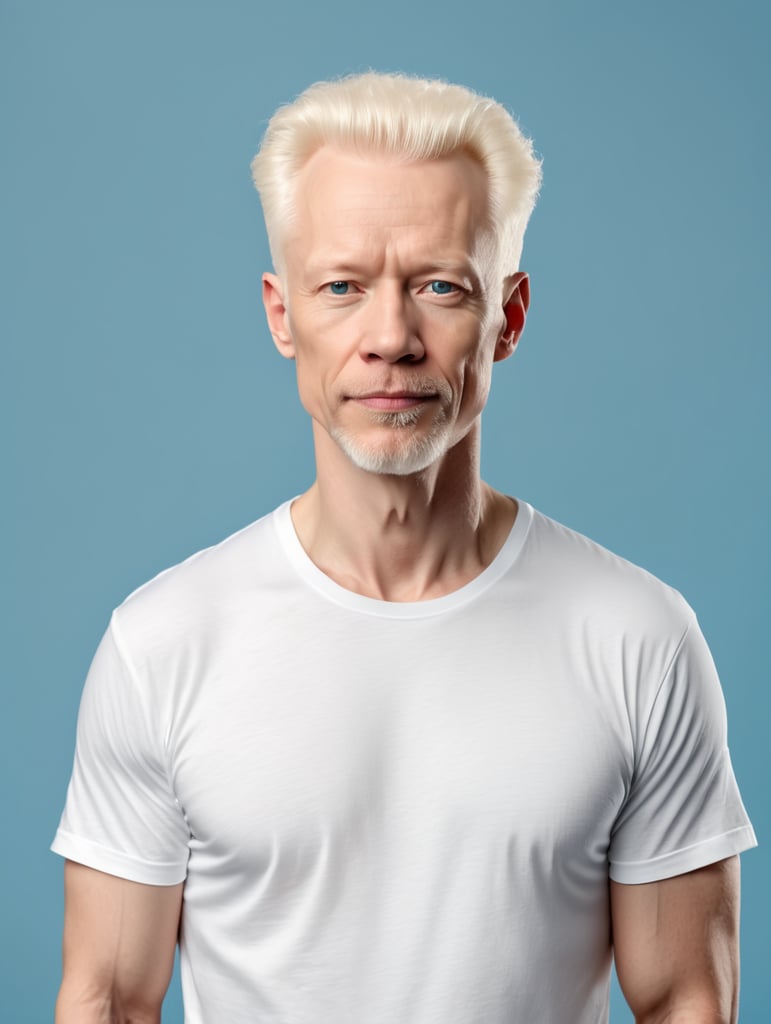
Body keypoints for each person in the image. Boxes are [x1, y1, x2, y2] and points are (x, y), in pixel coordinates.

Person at [52, 72, 756, 1024]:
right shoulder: (162, 646)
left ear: (505, 317)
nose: (390, 337)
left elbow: (684, 1001)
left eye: (438, 287)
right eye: (341, 287)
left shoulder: (637, 639)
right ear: (281, 314)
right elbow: (107, 1001)